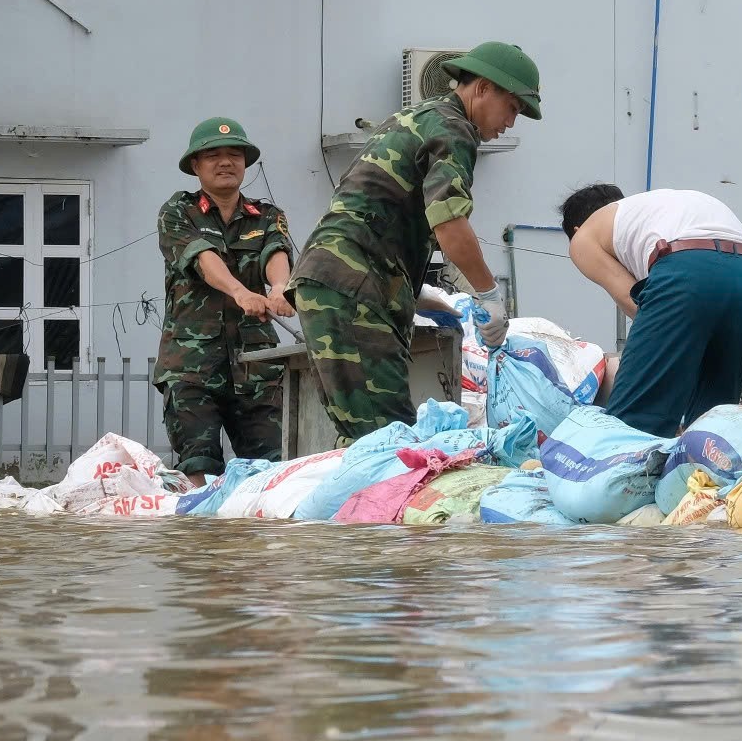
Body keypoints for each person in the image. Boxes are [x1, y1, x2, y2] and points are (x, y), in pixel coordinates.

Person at [291, 41, 540, 444]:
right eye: (512, 107)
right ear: (482, 88)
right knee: (389, 439)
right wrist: (489, 294)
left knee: (366, 433)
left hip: (341, 278)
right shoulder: (453, 128)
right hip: (356, 284)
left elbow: (375, 206)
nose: (511, 122)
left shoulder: (414, 117)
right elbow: (450, 221)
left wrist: (413, 290)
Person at [560, 183, 742, 438]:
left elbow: (637, 304)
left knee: (633, 425)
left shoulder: (584, 237)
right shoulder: (657, 209)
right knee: (712, 429)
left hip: (685, 271)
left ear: (575, 229)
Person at [155, 118, 295, 483]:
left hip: (256, 362)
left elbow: (276, 251)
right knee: (198, 462)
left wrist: (279, 287)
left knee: (272, 466)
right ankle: (203, 521)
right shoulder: (179, 212)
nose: (225, 162)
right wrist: (240, 291)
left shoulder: (267, 216)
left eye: (235, 154)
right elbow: (201, 257)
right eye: (213, 155)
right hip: (192, 363)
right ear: (196, 165)